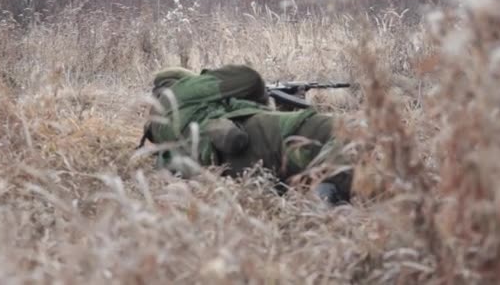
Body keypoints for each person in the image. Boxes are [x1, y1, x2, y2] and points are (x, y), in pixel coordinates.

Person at [139, 64, 353, 205]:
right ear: (182, 80)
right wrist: (261, 98)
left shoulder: (162, 136)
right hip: (260, 139)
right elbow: (249, 78)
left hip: (244, 174)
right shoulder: (183, 90)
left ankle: (329, 195)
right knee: (351, 133)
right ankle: (326, 195)